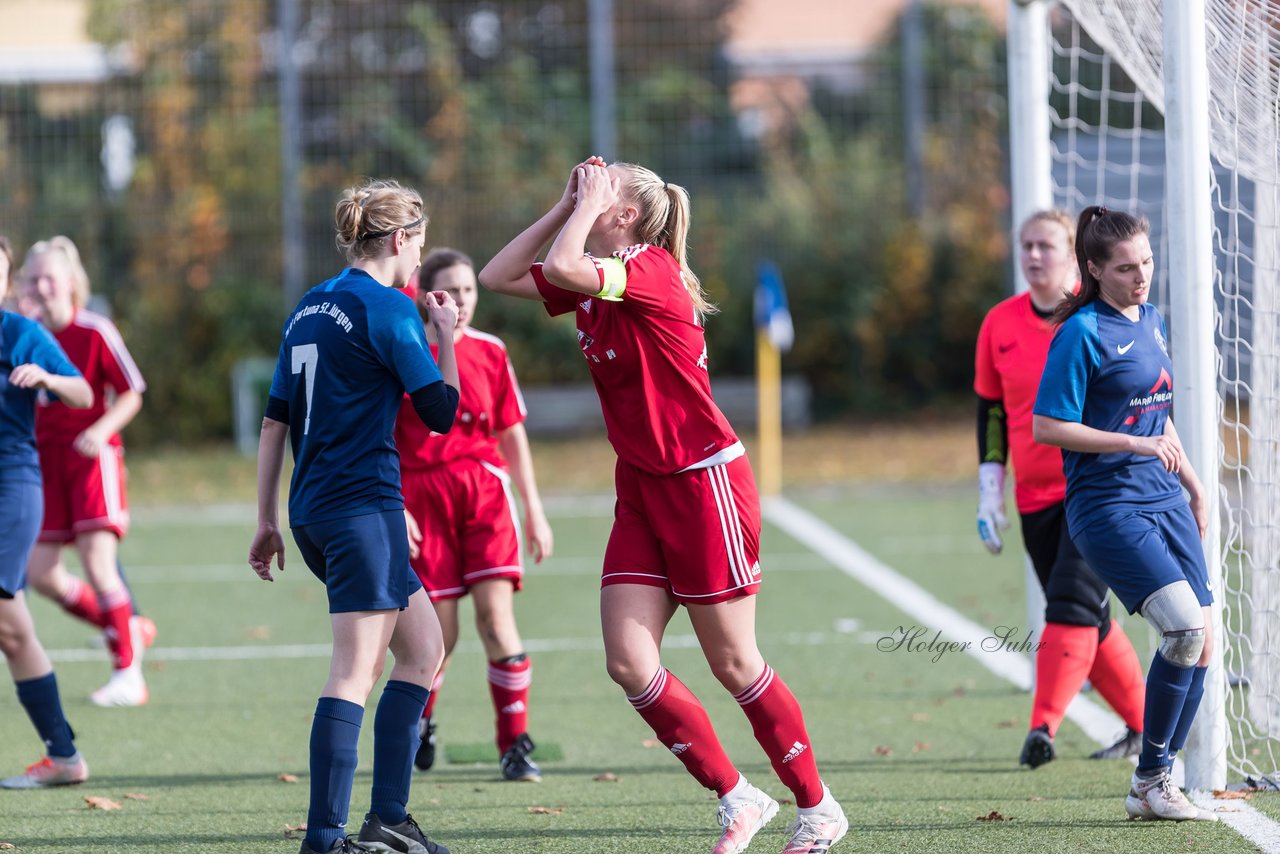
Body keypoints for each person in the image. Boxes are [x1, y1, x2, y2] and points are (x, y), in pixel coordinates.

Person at [479, 157, 849, 854]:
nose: (591, 181)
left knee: (734, 663)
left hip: (703, 483)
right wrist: (567, 205)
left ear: (623, 216)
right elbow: (497, 277)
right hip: (643, 487)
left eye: (603, 184)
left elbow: (560, 269)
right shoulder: (591, 275)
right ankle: (739, 796)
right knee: (628, 660)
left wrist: (580, 212)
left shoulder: (645, 269)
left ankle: (819, 807)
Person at [248, 178, 458, 854]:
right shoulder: (389, 310)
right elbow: (440, 413)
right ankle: (324, 837)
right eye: (419, 245)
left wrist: (266, 517)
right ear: (399, 240)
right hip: (361, 510)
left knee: (423, 650)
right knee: (352, 670)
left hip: (313, 510)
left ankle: (388, 819)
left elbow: (274, 422)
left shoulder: (307, 308)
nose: (420, 259)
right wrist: (445, 335)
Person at [1033, 206, 1217, 822]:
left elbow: (1157, 414)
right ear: (1093, 269)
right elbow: (1047, 426)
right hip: (1108, 505)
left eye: (1147, 263)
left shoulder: (1152, 318)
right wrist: (1133, 445)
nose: (1141, 277)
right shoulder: (1080, 333)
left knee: (1205, 642)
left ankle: (1154, 778)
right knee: (1184, 631)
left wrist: (1191, 481)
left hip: (1164, 497)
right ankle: (1153, 780)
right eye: (1126, 268)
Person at [974, 210, 1146, 768]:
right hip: (1035, 499)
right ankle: (1148, 728)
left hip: (1096, 491)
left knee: (1072, 603)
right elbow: (992, 410)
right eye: (1026, 245)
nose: (1033, 255)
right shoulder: (998, 323)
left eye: (1046, 245)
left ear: (1074, 258)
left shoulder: (1096, 320)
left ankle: (1041, 728)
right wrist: (989, 485)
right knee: (1086, 618)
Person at [393, 249, 554, 783]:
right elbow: (382, 439)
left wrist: (534, 510)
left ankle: (514, 745)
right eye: (449, 291)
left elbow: (512, 433)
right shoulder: (403, 349)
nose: (460, 301)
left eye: (467, 290)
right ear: (424, 296)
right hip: (421, 499)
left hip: (484, 494)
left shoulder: (490, 351)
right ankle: (422, 724)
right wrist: (394, 505)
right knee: (438, 635)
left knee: (496, 620)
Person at [19, 237, 150, 707]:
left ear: (71, 282)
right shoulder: (23, 332)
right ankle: (128, 628)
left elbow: (132, 390)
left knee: (98, 562)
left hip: (93, 461)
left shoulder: (95, 330)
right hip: (43, 464)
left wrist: (101, 428)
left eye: (48, 277)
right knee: (41, 575)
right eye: (32, 278)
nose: (40, 286)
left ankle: (128, 675)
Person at [0, 233, 96, 789]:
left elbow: (83, 393)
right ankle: (63, 756)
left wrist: (47, 378)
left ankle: (64, 756)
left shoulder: (19, 332)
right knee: (11, 631)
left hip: (13, 487)